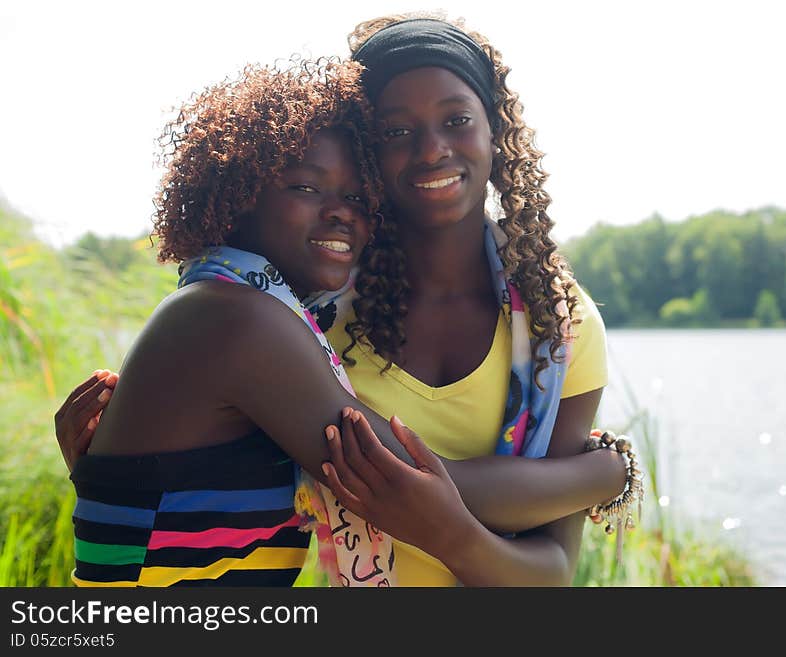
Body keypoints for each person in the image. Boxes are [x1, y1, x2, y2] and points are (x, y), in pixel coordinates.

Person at [56, 17, 632, 587]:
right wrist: (608, 474)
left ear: (495, 129)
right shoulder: (295, 310)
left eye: (456, 119)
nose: (432, 150)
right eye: (396, 131)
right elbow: (400, 480)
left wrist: (116, 472)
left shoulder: (558, 326)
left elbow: (551, 573)